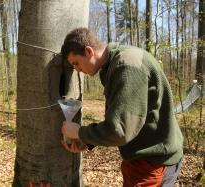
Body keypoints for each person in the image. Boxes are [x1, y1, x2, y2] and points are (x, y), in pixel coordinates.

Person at [60, 28, 183, 187]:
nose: (76, 70)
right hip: (146, 157)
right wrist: (87, 140)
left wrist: (78, 132)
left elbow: (120, 130)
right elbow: (122, 118)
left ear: (89, 51)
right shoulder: (114, 64)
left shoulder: (126, 66)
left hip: (153, 161)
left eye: (76, 63)